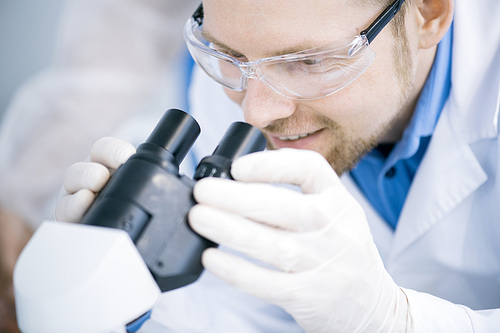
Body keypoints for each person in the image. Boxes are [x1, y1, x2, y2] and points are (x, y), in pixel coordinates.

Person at [56, 0, 500, 331]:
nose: (256, 113)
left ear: (430, 13)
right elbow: (245, 311)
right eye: (228, 54)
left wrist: (395, 321)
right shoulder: (230, 92)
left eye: (308, 61)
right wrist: (126, 292)